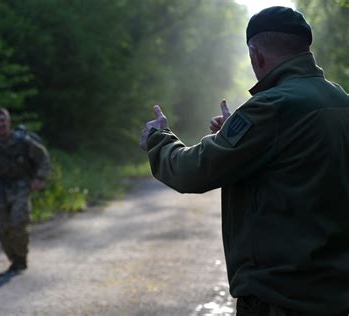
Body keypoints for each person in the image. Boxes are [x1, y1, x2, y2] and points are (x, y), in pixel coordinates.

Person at [139, 6, 349, 316]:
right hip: (335, 295)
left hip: (280, 295)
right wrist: (237, 136)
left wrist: (159, 139)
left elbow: (193, 171)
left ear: (256, 54)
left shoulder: (271, 106)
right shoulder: (341, 101)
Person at [0, 108, 51, 272]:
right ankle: (14, 259)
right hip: (1, 186)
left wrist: (40, 178)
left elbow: (43, 157)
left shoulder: (23, 141)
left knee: (18, 222)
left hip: (22, 185)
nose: (0, 124)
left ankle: (21, 257)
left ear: (9, 122)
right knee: (1, 226)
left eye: (3, 120)